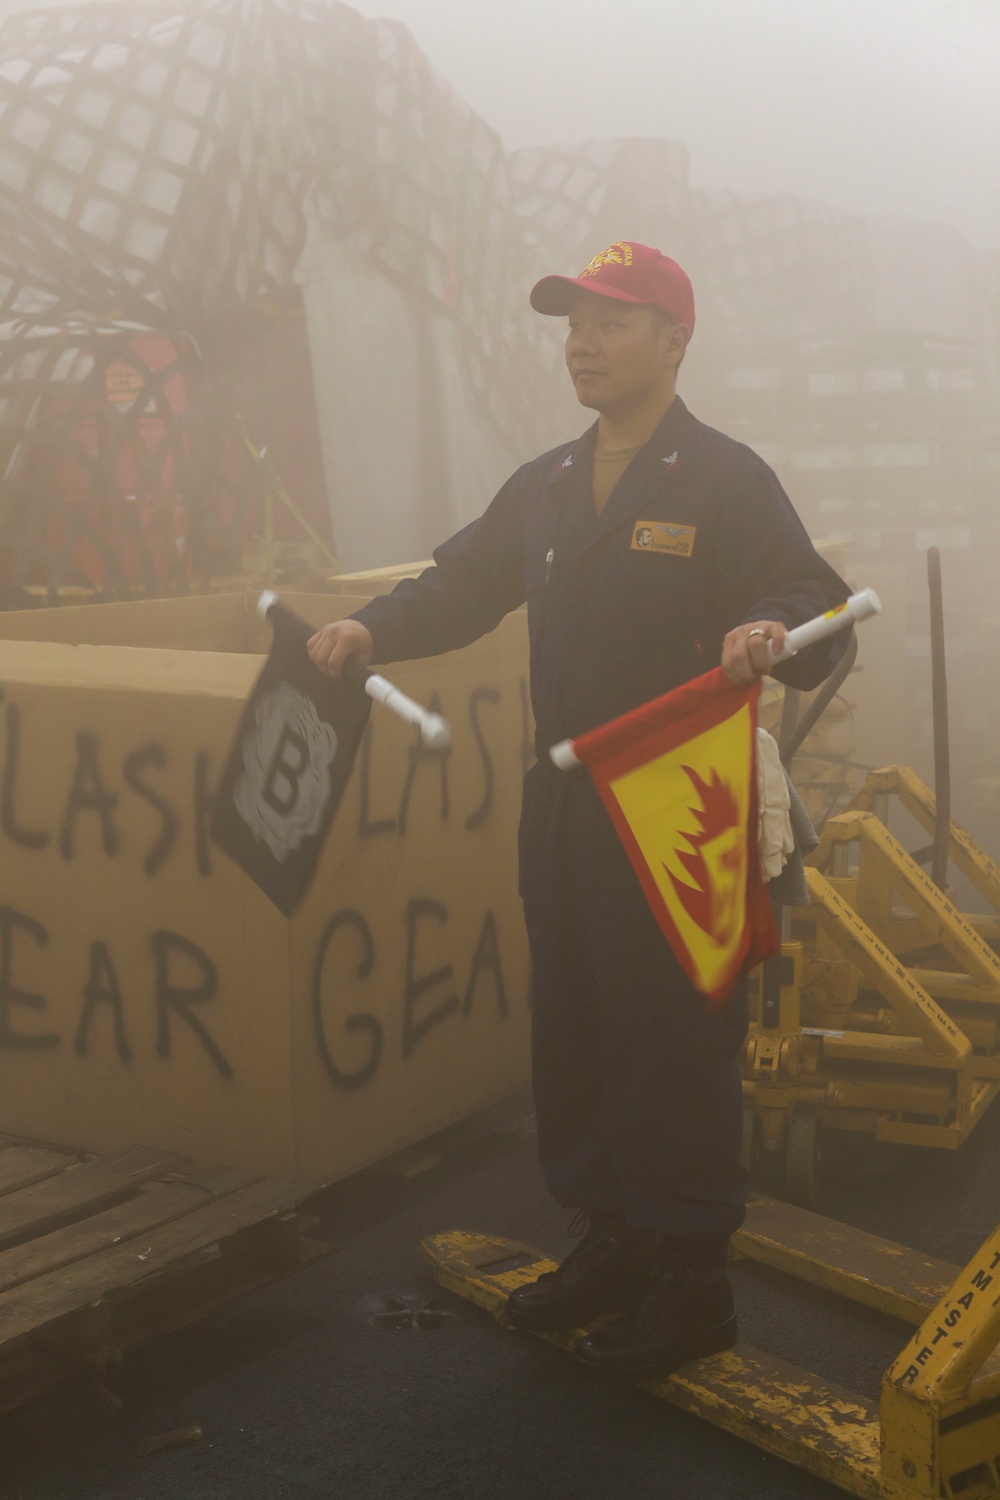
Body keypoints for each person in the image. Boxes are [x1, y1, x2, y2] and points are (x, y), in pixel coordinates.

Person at [308, 241, 849, 1379]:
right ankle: (609, 1243)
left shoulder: (721, 477)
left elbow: (816, 601)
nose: (582, 344)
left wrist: (769, 630)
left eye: (610, 322)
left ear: (674, 341)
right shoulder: (549, 484)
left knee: (671, 1044)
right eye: (572, 324)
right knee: (580, 1031)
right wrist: (373, 628)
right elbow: (460, 583)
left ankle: (691, 1282)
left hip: (675, 813)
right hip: (561, 807)